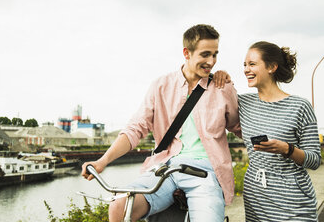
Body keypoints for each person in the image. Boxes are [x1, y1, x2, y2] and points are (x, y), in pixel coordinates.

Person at [81, 24, 241, 222]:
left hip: (205, 173)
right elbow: (135, 128)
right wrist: (102, 161)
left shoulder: (221, 87)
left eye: (215, 54)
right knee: (119, 207)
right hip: (165, 168)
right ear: (187, 53)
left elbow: (240, 127)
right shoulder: (161, 86)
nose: (211, 61)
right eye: (205, 54)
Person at [237, 41, 321, 221]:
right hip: (256, 197)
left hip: (293, 200)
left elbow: (314, 160)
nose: (246, 69)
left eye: (252, 64)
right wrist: (220, 76)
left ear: (272, 67)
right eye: (245, 64)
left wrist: (287, 149)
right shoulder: (242, 103)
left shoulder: (300, 106)